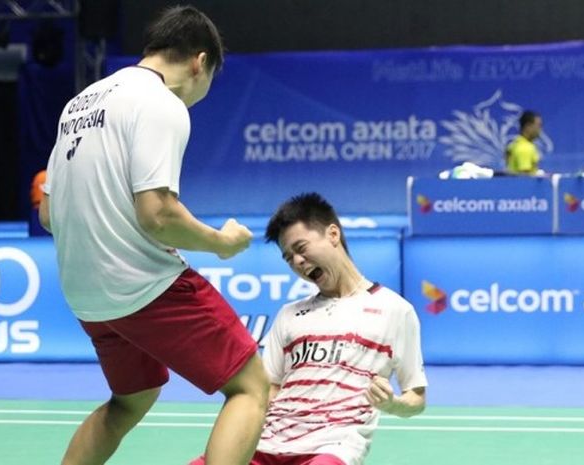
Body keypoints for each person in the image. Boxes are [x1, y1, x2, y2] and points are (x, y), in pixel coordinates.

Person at [38, 6, 269, 465]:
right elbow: (158, 214)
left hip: (86, 295)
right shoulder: (162, 103)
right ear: (199, 62)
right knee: (251, 386)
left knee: (132, 397)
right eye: (210, 81)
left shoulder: (81, 102)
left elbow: (48, 212)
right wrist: (221, 243)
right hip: (141, 286)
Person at [190, 193, 428, 465]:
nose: (297, 262)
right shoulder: (289, 315)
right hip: (266, 443)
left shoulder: (395, 310)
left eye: (301, 247)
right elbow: (267, 391)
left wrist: (392, 404)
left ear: (333, 234)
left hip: (331, 447)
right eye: (288, 258)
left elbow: (417, 397)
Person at [505, 110, 543, 175]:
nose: (540, 130)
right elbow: (525, 178)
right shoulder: (525, 148)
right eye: (538, 126)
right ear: (528, 126)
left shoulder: (514, 144)